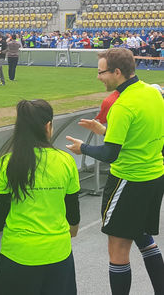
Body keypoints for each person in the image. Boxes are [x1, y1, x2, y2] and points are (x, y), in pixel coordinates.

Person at [66, 48, 164, 295]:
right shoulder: (153, 94)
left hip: (128, 181)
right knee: (143, 238)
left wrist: (83, 148)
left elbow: (110, 154)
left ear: (117, 72)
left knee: (118, 248)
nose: (99, 77)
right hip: (153, 176)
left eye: (101, 72)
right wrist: (103, 131)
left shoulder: (122, 105)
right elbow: (137, 136)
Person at [0, 99, 80, 295]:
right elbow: (73, 214)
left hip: (17, 256)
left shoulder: (7, 163)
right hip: (58, 255)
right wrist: (69, 233)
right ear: (48, 126)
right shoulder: (66, 161)